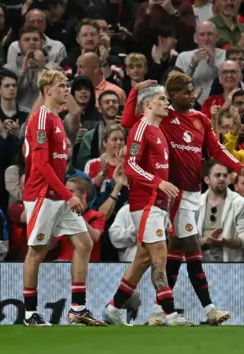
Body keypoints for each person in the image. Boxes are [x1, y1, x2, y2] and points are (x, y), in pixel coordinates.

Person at [120, 74, 244, 325]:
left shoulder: (200, 119)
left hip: (192, 193)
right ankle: (209, 309)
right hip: (171, 194)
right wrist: (135, 92)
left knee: (174, 252)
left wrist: (237, 165)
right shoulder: (162, 117)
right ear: (172, 95)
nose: (192, 96)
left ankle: (156, 310)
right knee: (191, 248)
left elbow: (215, 149)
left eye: (192, 91)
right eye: (186, 92)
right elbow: (128, 121)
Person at [103, 84, 191, 326]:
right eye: (162, 99)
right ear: (148, 105)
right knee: (159, 255)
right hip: (145, 203)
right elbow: (130, 166)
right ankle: (168, 312)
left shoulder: (158, 130)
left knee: (142, 259)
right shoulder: (141, 128)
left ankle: (112, 308)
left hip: (158, 204)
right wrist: (159, 183)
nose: (167, 103)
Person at [22, 69, 103, 326]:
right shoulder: (41, 119)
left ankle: (77, 308)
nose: (66, 89)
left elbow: (57, 164)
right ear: (48, 90)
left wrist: (65, 193)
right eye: (61, 85)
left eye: (67, 85)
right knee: (37, 250)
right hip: (42, 195)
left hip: (58, 194)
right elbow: (42, 165)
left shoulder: (58, 119)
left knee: (84, 242)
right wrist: (68, 194)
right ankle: (29, 313)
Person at [194, 160, 244, 263]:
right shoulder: (195, 204)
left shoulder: (241, 203)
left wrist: (225, 242)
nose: (222, 178)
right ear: (207, 180)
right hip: (201, 264)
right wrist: (203, 241)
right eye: (217, 175)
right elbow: (185, 241)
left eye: (225, 175)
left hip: (231, 267)